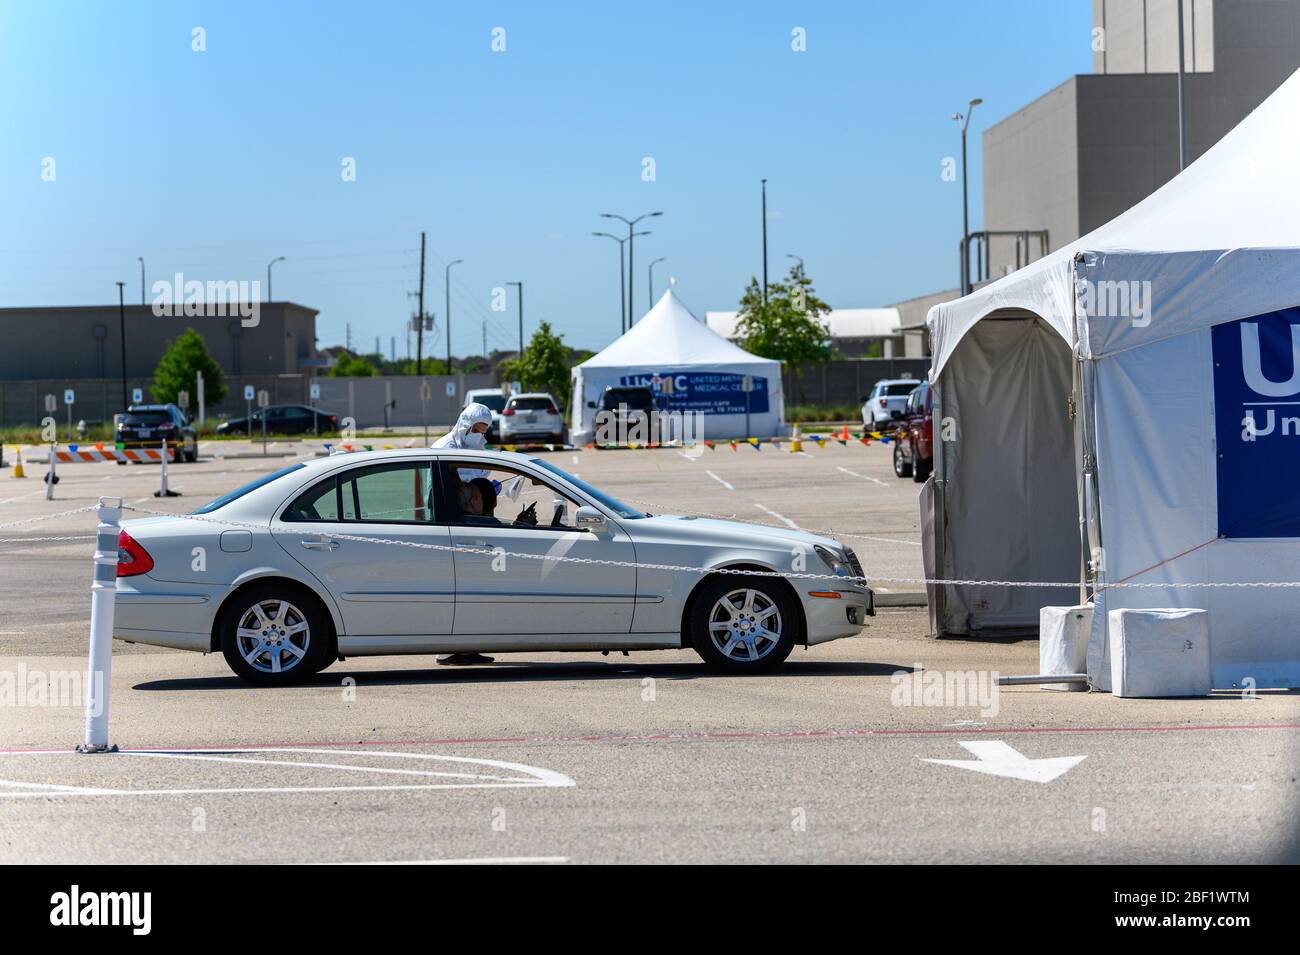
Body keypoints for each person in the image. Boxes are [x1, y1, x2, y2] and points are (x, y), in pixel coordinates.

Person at [435, 404, 499, 667]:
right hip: (452, 527)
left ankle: (469, 646)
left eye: (483, 430)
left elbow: (480, 479)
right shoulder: (444, 449)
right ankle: (446, 648)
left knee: (475, 593)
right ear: (464, 424)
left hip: (475, 525)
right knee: (453, 592)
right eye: (475, 429)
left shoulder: (479, 448)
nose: (478, 434)